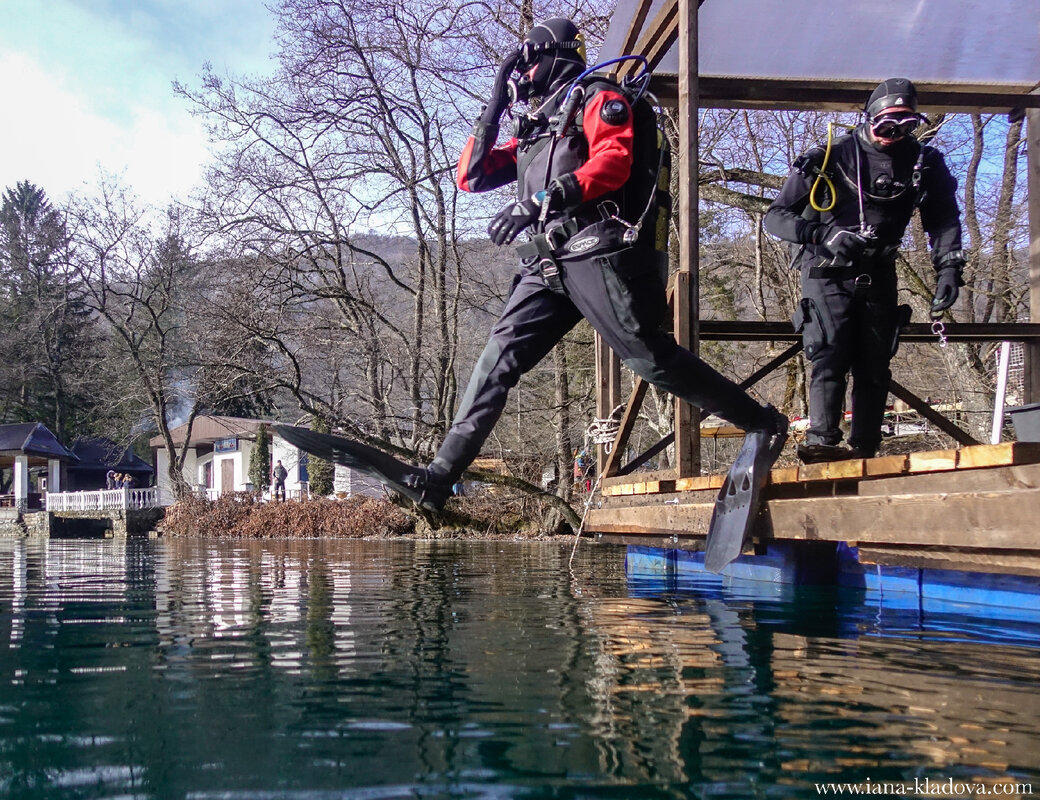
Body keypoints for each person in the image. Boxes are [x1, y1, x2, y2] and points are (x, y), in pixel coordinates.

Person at [394, 17, 786, 512]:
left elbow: (614, 160)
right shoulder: (540, 130)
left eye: (527, 61)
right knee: (495, 364)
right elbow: (470, 177)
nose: (523, 72)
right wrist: (494, 100)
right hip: (545, 267)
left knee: (651, 359)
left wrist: (539, 199)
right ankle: (439, 476)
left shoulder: (599, 98)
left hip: (595, 251)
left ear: (554, 54)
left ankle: (761, 421)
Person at [764, 78, 965, 463]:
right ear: (868, 119)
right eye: (886, 125)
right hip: (826, 271)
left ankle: (866, 447)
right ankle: (823, 441)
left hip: (879, 271)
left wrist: (949, 268)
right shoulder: (831, 155)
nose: (895, 134)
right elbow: (776, 217)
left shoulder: (925, 162)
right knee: (828, 353)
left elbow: (943, 218)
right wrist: (823, 234)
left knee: (875, 362)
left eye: (906, 126)